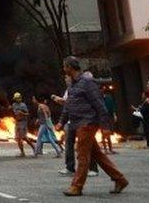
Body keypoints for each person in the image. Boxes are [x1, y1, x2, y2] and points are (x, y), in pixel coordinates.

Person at [60, 57, 127, 197]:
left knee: (82, 155)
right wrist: (62, 121)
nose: (63, 70)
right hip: (78, 123)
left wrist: (105, 126)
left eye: (64, 67)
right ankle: (120, 179)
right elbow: (68, 105)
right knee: (97, 155)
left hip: (88, 123)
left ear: (70, 67)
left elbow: (99, 105)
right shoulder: (72, 84)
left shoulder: (87, 82)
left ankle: (76, 186)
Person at [58, 74, 99, 177]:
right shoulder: (68, 90)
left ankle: (93, 168)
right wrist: (61, 122)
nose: (65, 79)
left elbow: (95, 104)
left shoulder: (83, 88)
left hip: (82, 121)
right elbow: (66, 107)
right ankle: (70, 167)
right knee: (68, 145)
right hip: (71, 122)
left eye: (67, 77)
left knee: (87, 146)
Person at [11, 92, 34, 157]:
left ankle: (34, 148)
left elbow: (28, 114)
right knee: (18, 138)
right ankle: (22, 152)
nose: (16, 100)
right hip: (17, 122)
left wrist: (22, 113)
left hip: (23, 122)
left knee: (24, 137)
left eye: (17, 98)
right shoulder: (14, 105)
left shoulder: (23, 105)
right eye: (15, 99)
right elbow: (14, 112)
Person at [101, 89, 117, 154]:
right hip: (102, 118)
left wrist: (114, 114)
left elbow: (113, 106)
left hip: (109, 116)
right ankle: (106, 149)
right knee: (104, 133)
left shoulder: (108, 98)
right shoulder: (99, 99)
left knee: (109, 133)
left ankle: (110, 149)